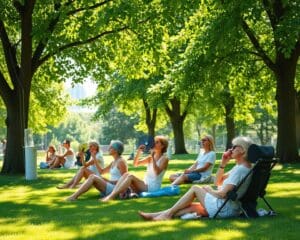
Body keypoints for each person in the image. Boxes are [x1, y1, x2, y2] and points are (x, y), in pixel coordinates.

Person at [138, 136, 254, 220]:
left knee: (195, 188)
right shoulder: (242, 167)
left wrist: (209, 190)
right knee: (191, 206)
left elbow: (222, 194)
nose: (231, 149)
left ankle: (166, 215)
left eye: (234, 147)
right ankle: (157, 215)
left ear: (243, 150)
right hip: (229, 208)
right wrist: (223, 162)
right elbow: (218, 181)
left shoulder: (240, 170)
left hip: (224, 209)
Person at [101, 135, 169, 202]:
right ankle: (114, 194)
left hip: (153, 187)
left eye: (157, 142)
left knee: (131, 176)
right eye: (154, 142)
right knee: (126, 174)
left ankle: (111, 196)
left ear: (163, 146)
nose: (154, 144)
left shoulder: (164, 159)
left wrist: (153, 158)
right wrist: (139, 152)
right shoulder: (150, 158)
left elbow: (157, 173)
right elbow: (135, 164)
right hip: (145, 184)